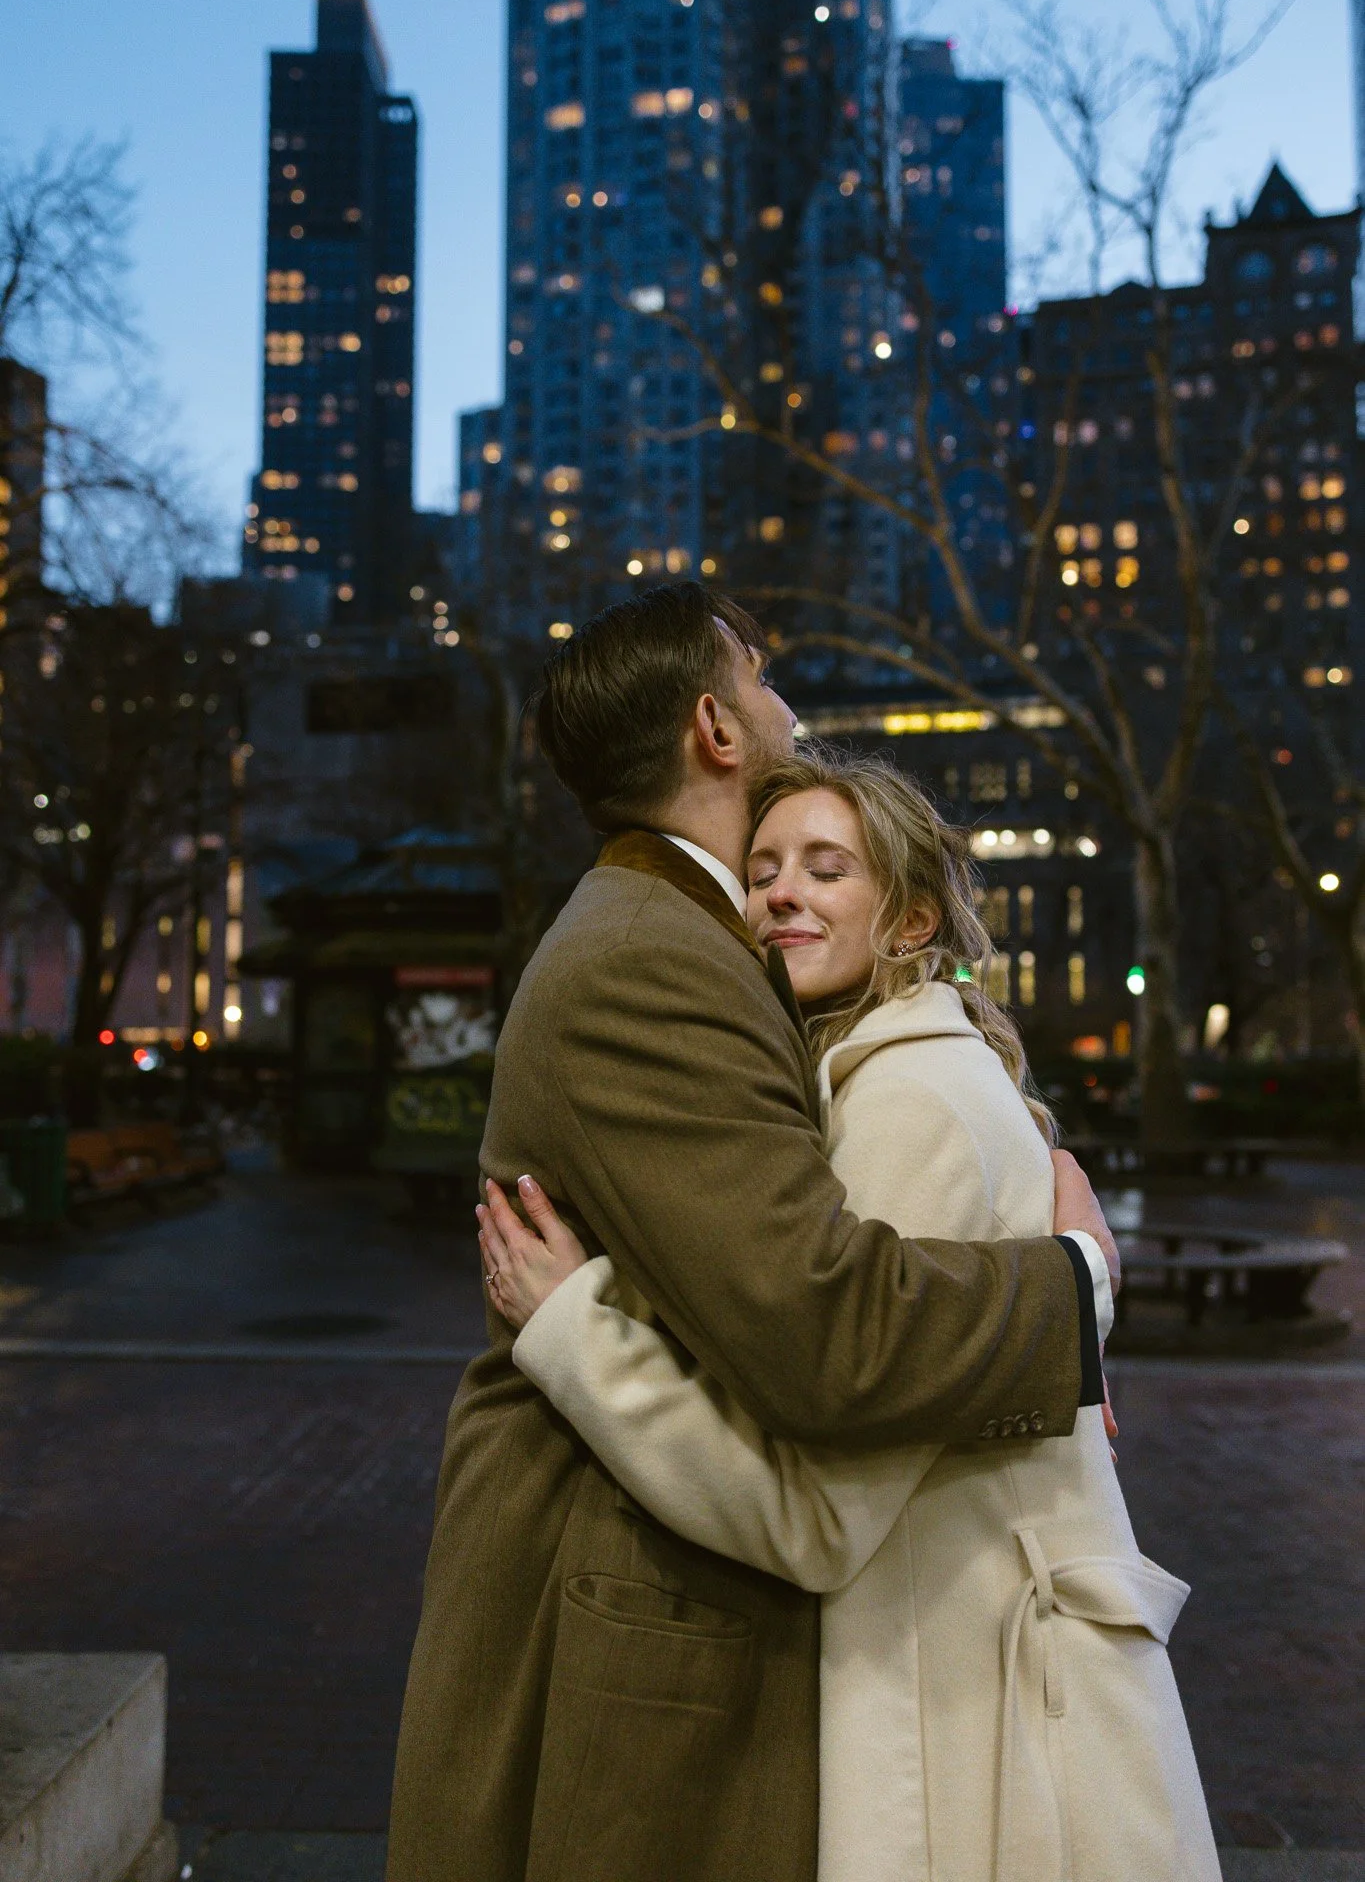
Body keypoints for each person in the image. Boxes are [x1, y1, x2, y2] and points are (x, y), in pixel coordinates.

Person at [386, 585, 1118, 1882]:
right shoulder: (647, 953)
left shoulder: (686, 934)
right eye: (764, 677)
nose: (789, 707)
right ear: (718, 731)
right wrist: (1074, 1294)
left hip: (676, 1547)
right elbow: (820, 1325)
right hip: (615, 1589)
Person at [479, 754, 1219, 1882]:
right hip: (983, 1679)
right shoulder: (897, 1072)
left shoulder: (907, 1102)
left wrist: (577, 1328)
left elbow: (813, 1518)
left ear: (913, 916)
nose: (782, 892)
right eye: (762, 868)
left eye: (828, 869)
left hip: (979, 1722)